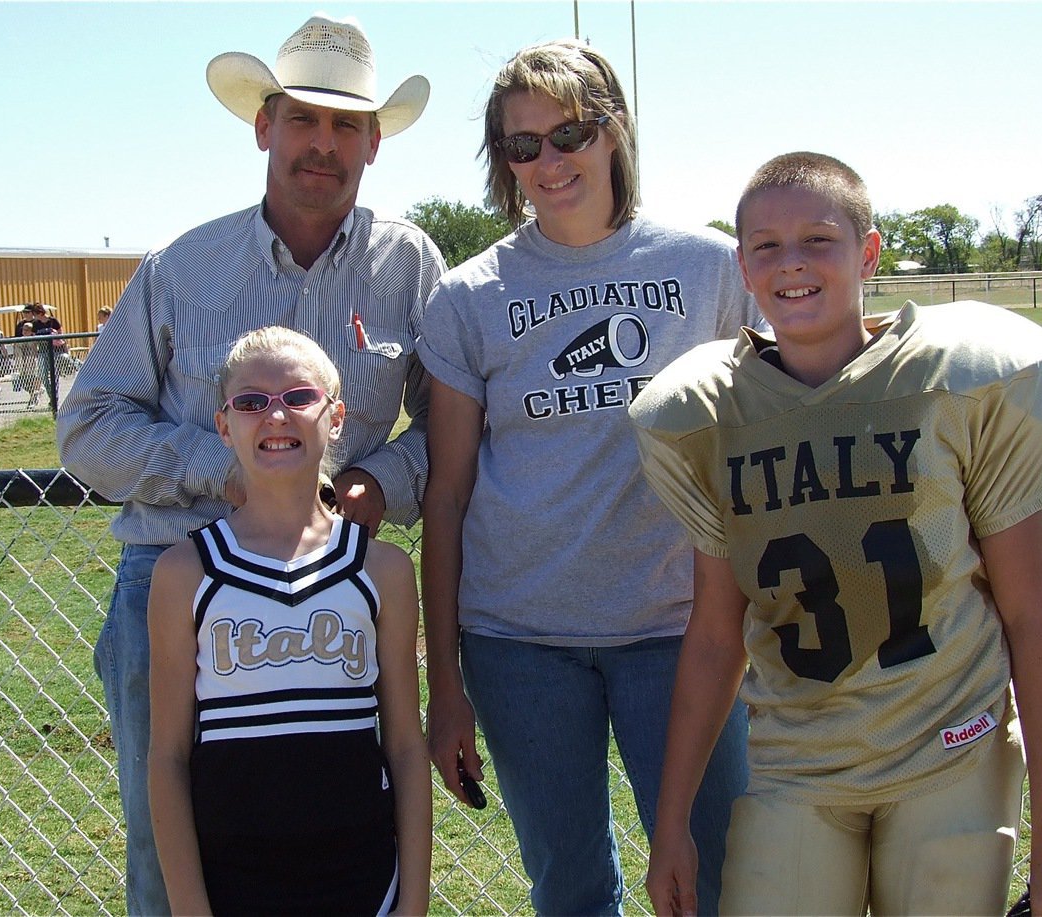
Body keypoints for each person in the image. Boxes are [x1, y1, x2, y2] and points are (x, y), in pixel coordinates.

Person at [630, 151, 1042, 916]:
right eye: (767, 246)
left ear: (869, 252)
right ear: (743, 266)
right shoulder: (708, 413)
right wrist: (672, 822)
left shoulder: (956, 380)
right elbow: (716, 632)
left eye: (818, 239)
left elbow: (1031, 609)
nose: (792, 262)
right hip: (798, 762)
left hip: (948, 744)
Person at [56, 14, 441, 914]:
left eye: (347, 124)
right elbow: (88, 426)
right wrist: (222, 470)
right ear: (264, 126)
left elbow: (451, 424)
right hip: (176, 581)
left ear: (375, 142)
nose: (323, 143)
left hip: (336, 582)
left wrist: (378, 482)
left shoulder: (409, 266)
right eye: (302, 117)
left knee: (342, 812)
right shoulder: (183, 269)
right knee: (169, 844)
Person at [418, 39, 763, 916]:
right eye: (523, 144)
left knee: (716, 879)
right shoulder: (467, 296)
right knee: (569, 889)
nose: (550, 160)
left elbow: (772, 424)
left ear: (613, 131)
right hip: (518, 640)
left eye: (568, 133)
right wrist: (446, 683)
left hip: (681, 628)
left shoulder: (711, 268)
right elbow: (446, 494)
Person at [148, 327, 430, 916]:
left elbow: (405, 745)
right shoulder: (185, 573)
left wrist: (413, 901)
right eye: (251, 402)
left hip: (363, 883)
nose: (275, 416)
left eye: (299, 397)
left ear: (336, 417)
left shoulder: (381, 570)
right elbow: (168, 757)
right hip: (231, 886)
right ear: (224, 425)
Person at [14, 322, 41, 408]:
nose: (24, 331)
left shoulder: (34, 340)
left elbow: (37, 350)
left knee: (34, 380)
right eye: (23, 329)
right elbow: (17, 353)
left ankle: (34, 397)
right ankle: (35, 393)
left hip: (33, 362)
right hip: (23, 364)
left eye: (27, 330)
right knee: (25, 382)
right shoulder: (19, 340)